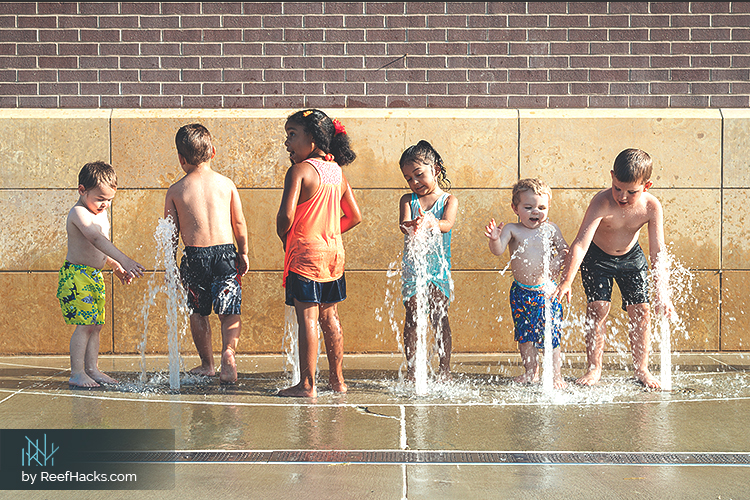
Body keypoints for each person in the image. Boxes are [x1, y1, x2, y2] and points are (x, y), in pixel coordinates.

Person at [553, 148, 675, 389]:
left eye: (632, 192)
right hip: (598, 257)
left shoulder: (651, 207)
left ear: (647, 186)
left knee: (642, 310)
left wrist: (663, 292)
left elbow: (657, 251)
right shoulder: (602, 201)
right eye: (617, 187)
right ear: (611, 176)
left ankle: (641, 369)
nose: (622, 196)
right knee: (598, 307)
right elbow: (580, 243)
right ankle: (594, 367)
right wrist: (567, 280)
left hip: (631, 257)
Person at [276, 109, 362, 398]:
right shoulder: (337, 171)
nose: (286, 143)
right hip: (333, 254)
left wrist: (285, 234)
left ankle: (307, 384)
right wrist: (328, 231)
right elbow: (354, 217)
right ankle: (338, 380)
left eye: (292, 135)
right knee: (331, 317)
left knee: (308, 320)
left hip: (305, 254)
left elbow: (285, 218)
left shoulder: (299, 171)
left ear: (311, 138)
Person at [164, 123, 249, 383]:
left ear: (181, 159)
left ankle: (207, 364)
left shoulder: (176, 190)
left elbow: (170, 233)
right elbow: (239, 223)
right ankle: (228, 352)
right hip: (225, 255)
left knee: (198, 312)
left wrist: (170, 265)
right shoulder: (226, 184)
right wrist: (243, 252)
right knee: (229, 310)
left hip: (195, 257)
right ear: (213, 151)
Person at [58, 161, 145, 387]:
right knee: (85, 325)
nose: (105, 204)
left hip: (94, 276)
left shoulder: (100, 213)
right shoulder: (78, 213)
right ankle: (77, 372)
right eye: (100, 199)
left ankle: (92, 369)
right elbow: (96, 239)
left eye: (109, 200)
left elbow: (99, 249)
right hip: (77, 276)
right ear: (82, 190)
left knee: (96, 325)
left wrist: (115, 266)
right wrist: (125, 258)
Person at [485, 179, 568, 389]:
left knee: (552, 335)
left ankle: (556, 375)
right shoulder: (513, 229)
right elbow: (498, 250)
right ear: (515, 208)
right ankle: (531, 372)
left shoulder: (551, 229)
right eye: (528, 207)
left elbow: (565, 251)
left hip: (547, 292)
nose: (535, 212)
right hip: (521, 292)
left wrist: (558, 263)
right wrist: (495, 239)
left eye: (542, 208)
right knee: (525, 337)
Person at [399, 140, 458, 380]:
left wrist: (431, 222)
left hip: (439, 269)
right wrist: (411, 225)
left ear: (436, 170)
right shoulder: (407, 200)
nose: (414, 183)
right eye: (408, 178)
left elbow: (447, 224)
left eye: (418, 175)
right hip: (414, 268)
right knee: (412, 316)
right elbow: (403, 225)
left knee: (439, 316)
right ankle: (413, 369)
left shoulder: (448, 200)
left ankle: (445, 370)